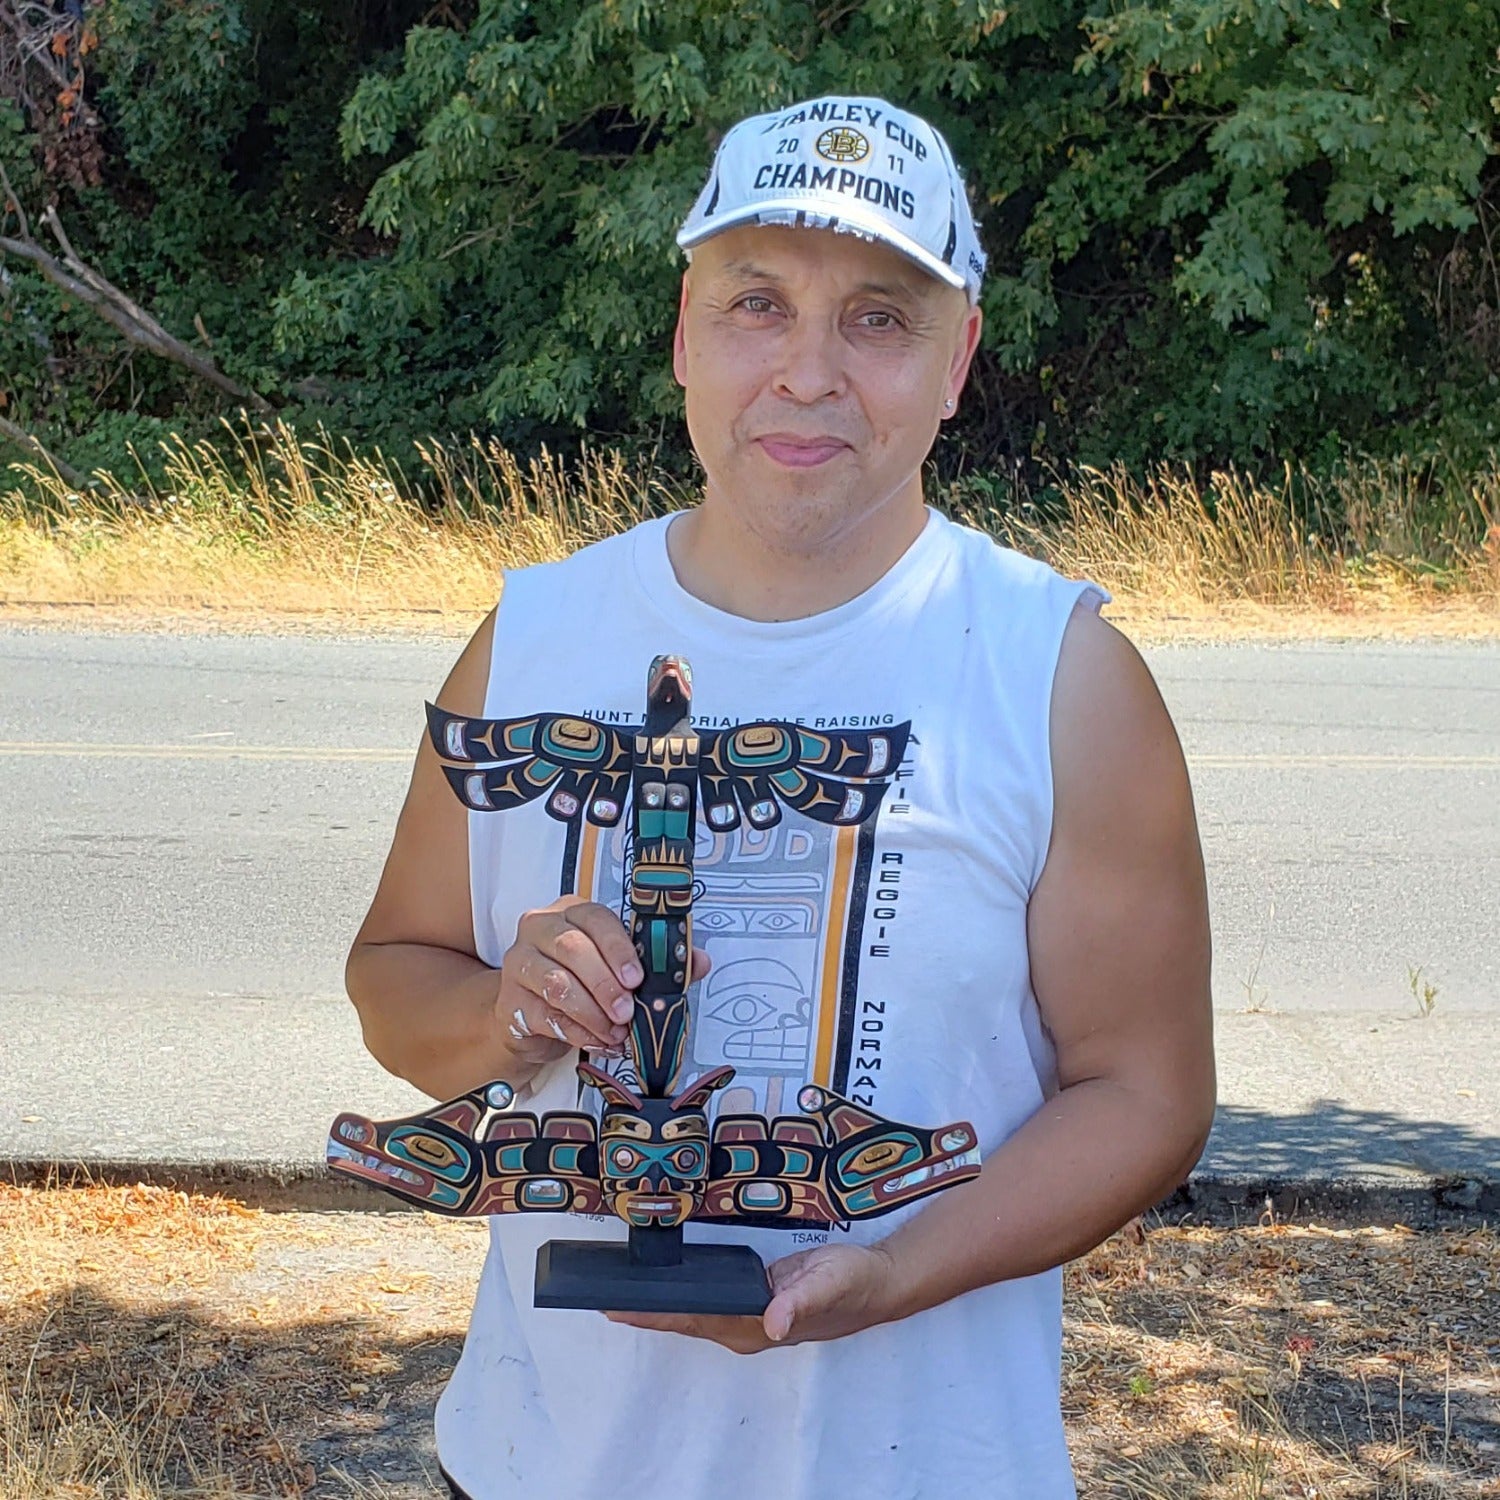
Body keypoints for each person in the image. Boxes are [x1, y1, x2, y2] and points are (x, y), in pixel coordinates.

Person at [346, 94, 1215, 1500]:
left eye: (879, 318)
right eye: (759, 304)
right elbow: (394, 980)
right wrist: (507, 1009)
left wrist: (891, 1271)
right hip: (542, 1463)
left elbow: (1148, 1093)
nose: (808, 372)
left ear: (958, 360)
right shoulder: (530, 639)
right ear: (686, 338)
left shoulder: (1061, 676)